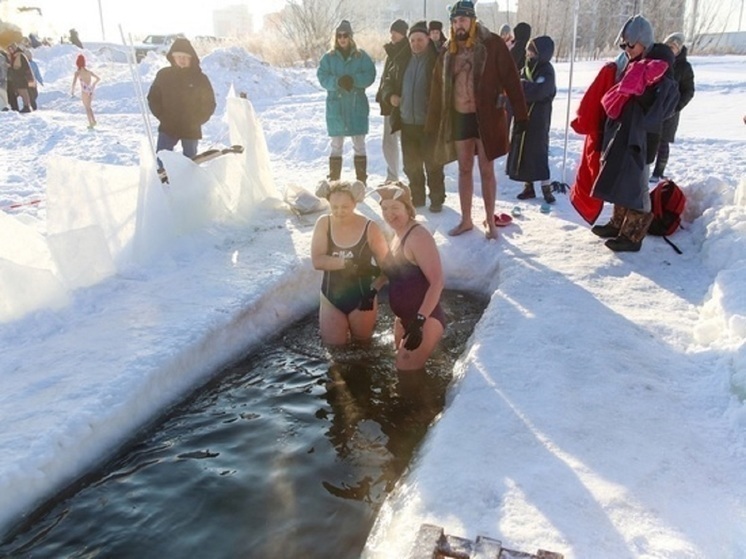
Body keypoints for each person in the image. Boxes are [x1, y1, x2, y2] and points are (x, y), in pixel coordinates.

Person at [426, 0, 528, 240]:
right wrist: (431, 124)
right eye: (454, 21)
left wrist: (521, 115)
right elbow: (436, 89)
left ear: (472, 20)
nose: (458, 25)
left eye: (462, 20)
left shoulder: (492, 44)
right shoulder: (447, 50)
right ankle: (466, 220)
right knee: (463, 169)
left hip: (487, 117)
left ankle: (491, 222)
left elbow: (512, 79)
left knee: (486, 170)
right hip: (460, 117)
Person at [590, 15, 680, 252]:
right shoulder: (636, 64)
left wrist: (640, 89)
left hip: (643, 136)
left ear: (644, 42)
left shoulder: (658, 68)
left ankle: (633, 236)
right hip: (625, 131)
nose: (626, 49)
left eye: (630, 44)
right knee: (621, 177)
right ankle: (618, 222)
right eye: (624, 45)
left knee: (637, 185)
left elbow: (661, 106)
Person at [375, 183, 444, 371]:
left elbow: (437, 282)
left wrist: (420, 321)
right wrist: (374, 288)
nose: (389, 214)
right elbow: (394, 271)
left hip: (425, 319)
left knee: (407, 371)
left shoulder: (418, 236)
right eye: (385, 208)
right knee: (402, 370)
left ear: (408, 208)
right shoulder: (397, 234)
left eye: (395, 208)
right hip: (404, 319)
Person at [311, 179, 388, 346]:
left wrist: (373, 291)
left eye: (344, 207)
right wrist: (348, 264)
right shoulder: (324, 223)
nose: (339, 212)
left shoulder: (370, 227)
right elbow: (317, 260)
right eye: (334, 207)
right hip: (331, 297)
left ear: (355, 203)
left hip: (362, 297)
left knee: (363, 347)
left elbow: (388, 268)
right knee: (334, 349)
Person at [380, 21, 445, 211]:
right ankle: (417, 197)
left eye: (420, 39)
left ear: (428, 39)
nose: (416, 43)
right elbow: (387, 82)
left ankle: (436, 198)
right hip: (407, 122)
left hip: (429, 123)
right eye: (413, 40)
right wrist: (390, 96)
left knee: (433, 163)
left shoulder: (437, 61)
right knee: (411, 164)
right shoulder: (402, 60)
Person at [317, 20, 376, 184]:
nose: (342, 39)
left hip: (356, 104)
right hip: (337, 106)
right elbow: (322, 77)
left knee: (359, 143)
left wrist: (354, 80)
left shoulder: (361, 56)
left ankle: (361, 180)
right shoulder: (328, 57)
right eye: (339, 36)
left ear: (351, 37)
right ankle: (334, 180)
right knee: (336, 144)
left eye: (345, 35)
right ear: (335, 38)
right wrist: (337, 82)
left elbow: (370, 74)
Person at [147, 38, 216, 160]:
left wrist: (197, 120)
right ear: (173, 57)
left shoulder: (200, 78)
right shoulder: (163, 75)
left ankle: (188, 179)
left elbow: (209, 103)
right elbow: (153, 98)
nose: (181, 60)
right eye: (178, 56)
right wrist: (162, 116)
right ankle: (164, 179)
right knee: (162, 159)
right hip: (168, 126)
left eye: (185, 57)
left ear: (191, 58)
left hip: (191, 128)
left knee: (191, 162)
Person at [508, 36, 558, 204]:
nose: (528, 53)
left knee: (539, 151)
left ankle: (546, 188)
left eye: (532, 50)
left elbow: (539, 91)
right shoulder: (526, 68)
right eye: (528, 50)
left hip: (539, 118)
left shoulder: (546, 70)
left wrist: (521, 85)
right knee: (525, 151)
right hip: (524, 116)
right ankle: (528, 187)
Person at [650, 32, 695, 183]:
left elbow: (688, 90)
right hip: (652, 108)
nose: (671, 50)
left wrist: (677, 106)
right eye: (668, 46)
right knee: (648, 139)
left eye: (674, 47)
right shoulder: (655, 60)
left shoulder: (684, 67)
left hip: (670, 112)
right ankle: (643, 170)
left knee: (663, 142)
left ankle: (658, 173)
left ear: (679, 50)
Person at [376, 19, 409, 183]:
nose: (392, 35)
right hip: (389, 102)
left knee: (406, 141)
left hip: (403, 104)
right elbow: (386, 77)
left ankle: (413, 177)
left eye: (396, 32)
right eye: (392, 31)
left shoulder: (408, 51)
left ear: (403, 33)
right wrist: (384, 95)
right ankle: (392, 176)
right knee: (388, 142)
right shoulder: (391, 51)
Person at [71, 54, 100, 128]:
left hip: (84, 90)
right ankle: (93, 121)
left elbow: (74, 83)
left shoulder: (77, 73)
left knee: (86, 107)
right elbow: (98, 78)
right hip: (90, 90)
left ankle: (90, 123)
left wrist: (72, 91)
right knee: (89, 106)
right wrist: (93, 85)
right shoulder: (89, 72)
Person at [6, 43, 33, 112]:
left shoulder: (18, 55)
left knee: (23, 92)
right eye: (9, 49)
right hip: (21, 77)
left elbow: (17, 67)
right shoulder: (18, 55)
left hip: (21, 78)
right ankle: (27, 106)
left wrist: (10, 67)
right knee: (22, 92)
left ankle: (27, 106)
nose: (10, 50)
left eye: (11, 48)